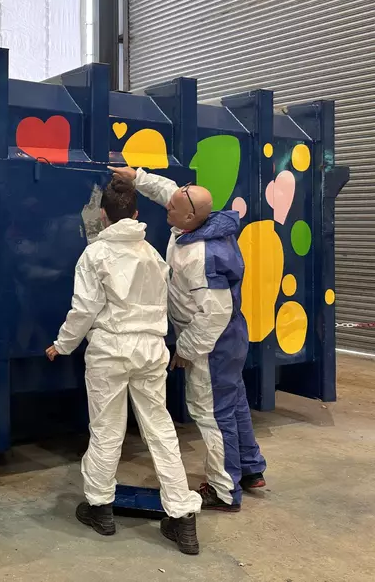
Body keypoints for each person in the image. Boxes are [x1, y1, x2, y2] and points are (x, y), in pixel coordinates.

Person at [46, 177, 202, 555]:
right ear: (136, 214)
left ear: (103, 215)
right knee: (160, 429)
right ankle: (182, 518)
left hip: (110, 353)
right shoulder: (153, 255)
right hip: (150, 350)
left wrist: (62, 345)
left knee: (106, 430)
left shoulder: (95, 256)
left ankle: (100, 507)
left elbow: (84, 310)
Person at [109, 165, 267, 512]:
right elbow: (172, 193)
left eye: (173, 209)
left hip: (214, 342)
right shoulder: (196, 222)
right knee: (233, 400)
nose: (167, 208)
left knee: (211, 412)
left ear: (190, 216)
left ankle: (224, 491)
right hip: (230, 337)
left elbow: (213, 314)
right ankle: (251, 469)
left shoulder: (200, 256)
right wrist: (138, 177)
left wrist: (187, 350)